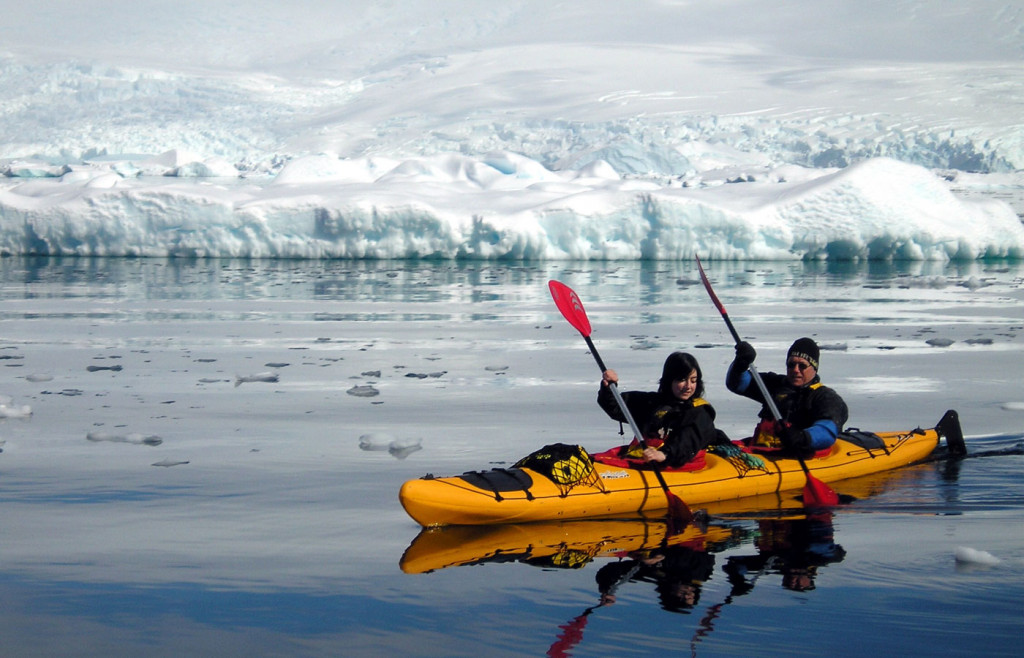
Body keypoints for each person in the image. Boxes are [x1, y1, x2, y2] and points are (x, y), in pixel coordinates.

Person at [598, 352, 724, 467]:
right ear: (669, 380)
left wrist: (664, 454)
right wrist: (609, 388)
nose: (688, 386)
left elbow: (688, 439)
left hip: (674, 462)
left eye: (693, 380)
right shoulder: (653, 402)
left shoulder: (700, 412)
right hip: (641, 460)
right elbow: (615, 406)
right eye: (682, 380)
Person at [726, 337, 848, 454]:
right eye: (791, 364)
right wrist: (740, 364)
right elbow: (737, 384)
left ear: (814, 368)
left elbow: (828, 429)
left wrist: (802, 437)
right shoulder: (775, 385)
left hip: (797, 455)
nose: (795, 370)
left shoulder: (825, 397)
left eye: (802, 366)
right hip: (761, 451)